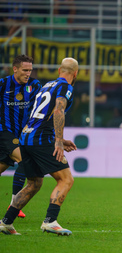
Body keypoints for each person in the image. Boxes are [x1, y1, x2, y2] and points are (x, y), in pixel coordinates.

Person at [0, 58, 78, 236]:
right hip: (41, 139)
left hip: (26, 136)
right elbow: (58, 110)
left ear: (59, 71)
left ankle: (6, 222)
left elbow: (38, 115)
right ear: (75, 74)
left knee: (34, 183)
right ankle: (50, 221)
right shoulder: (66, 87)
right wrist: (58, 141)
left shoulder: (46, 85)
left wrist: (59, 138)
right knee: (66, 179)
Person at [0, 55, 42, 219]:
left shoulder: (35, 85)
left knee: (3, 165)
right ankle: (15, 204)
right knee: (25, 161)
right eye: (25, 70)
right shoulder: (4, 84)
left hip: (23, 134)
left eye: (30, 70)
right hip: (5, 132)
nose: (28, 73)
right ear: (15, 69)